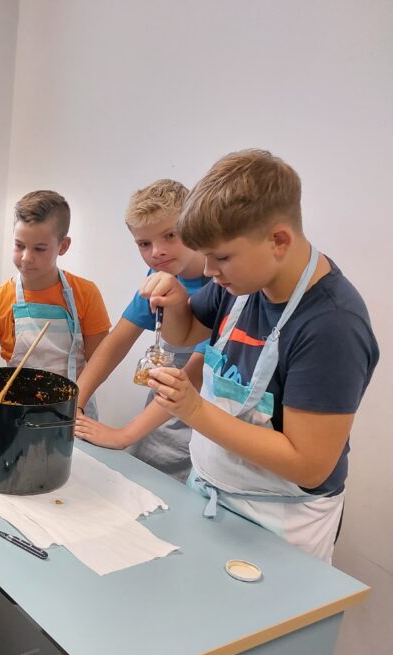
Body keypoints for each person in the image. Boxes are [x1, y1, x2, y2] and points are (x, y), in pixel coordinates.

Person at [142, 149, 379, 561]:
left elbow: (308, 464)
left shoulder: (332, 325)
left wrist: (194, 410)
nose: (209, 271)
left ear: (278, 241)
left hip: (280, 519)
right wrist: (177, 302)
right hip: (210, 489)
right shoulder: (239, 284)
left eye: (221, 257)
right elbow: (185, 335)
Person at [74, 180, 210, 481]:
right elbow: (117, 342)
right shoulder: (158, 275)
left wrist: (123, 435)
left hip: (207, 425)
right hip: (161, 419)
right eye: (144, 244)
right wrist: (75, 401)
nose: (157, 252)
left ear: (193, 225)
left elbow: (195, 374)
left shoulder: (221, 284)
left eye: (170, 236)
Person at [0, 190, 111, 413]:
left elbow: (101, 362)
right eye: (19, 245)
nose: (26, 257)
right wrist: (1, 388)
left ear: (63, 246)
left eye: (39, 249)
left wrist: (76, 404)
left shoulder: (86, 294)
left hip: (75, 409)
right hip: (18, 409)